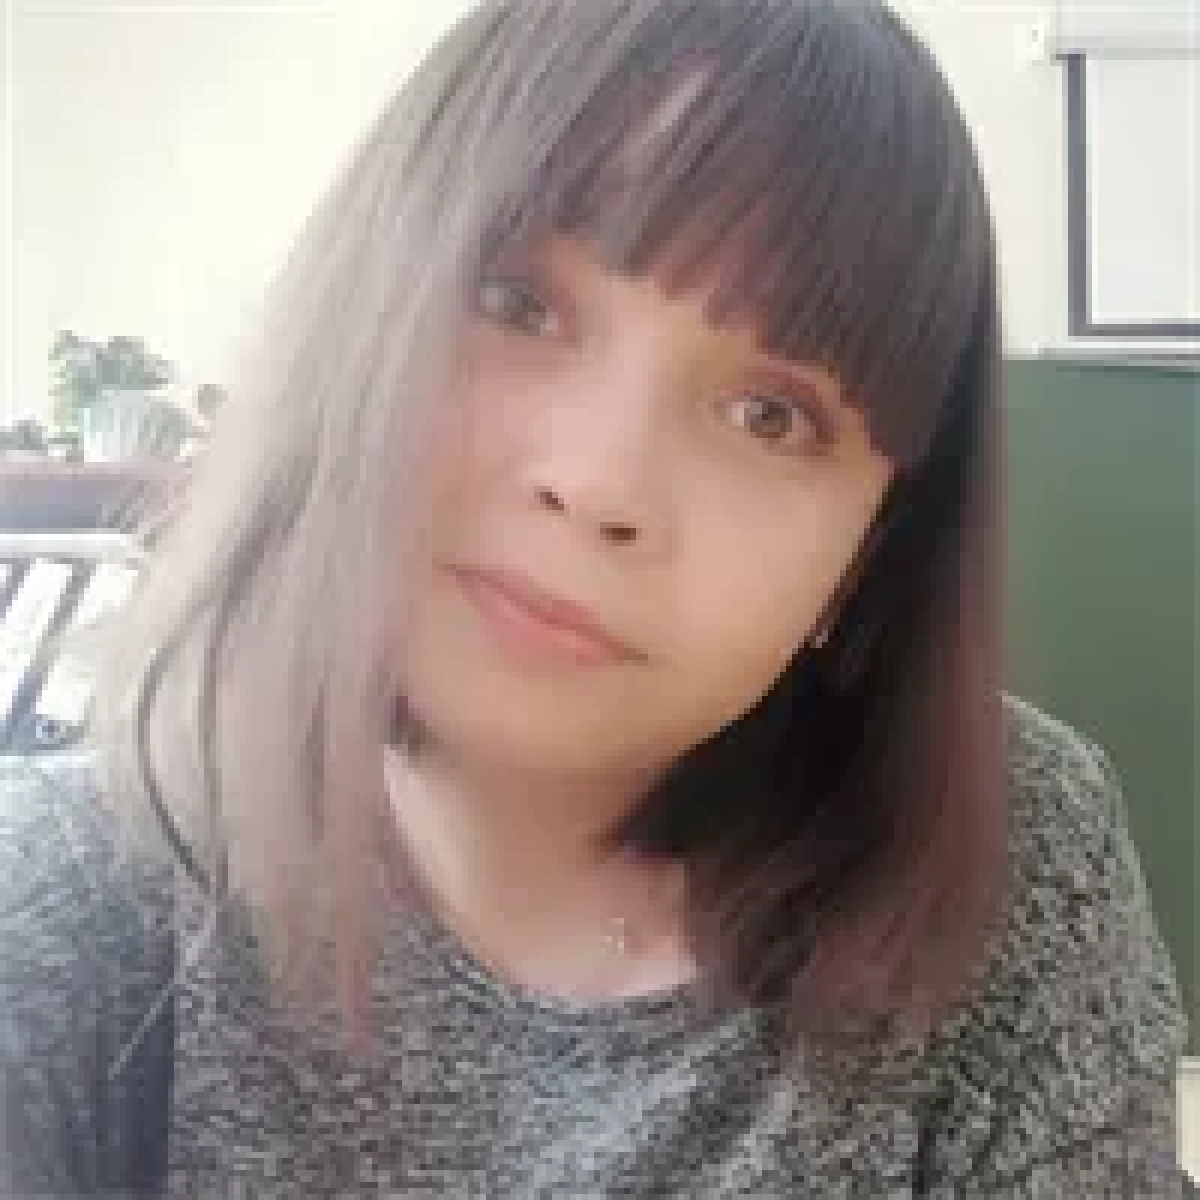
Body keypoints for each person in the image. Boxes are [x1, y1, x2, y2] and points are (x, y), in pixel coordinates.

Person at [1, 1, 1189, 1194]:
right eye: (520, 303)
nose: (599, 482)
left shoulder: (1003, 862)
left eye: (769, 416)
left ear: (871, 554)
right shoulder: (69, 900)